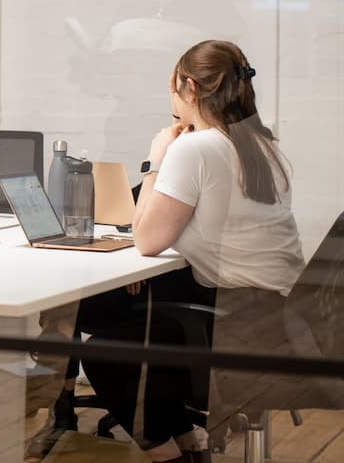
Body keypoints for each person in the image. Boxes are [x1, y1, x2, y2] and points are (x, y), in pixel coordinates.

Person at [77, 40, 303, 463]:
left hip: (231, 328)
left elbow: (145, 240)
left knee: (102, 347)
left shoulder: (193, 148)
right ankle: (190, 445)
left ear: (189, 88)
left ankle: (170, 456)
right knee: (116, 311)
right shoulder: (262, 144)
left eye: (172, 88)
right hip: (279, 322)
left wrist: (155, 159)